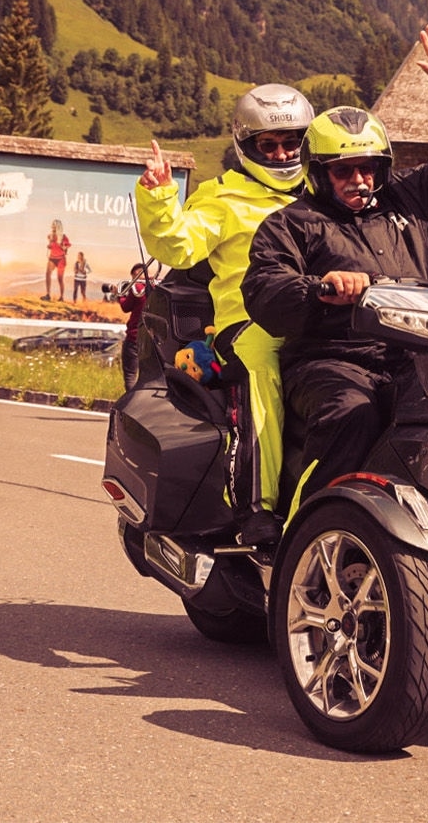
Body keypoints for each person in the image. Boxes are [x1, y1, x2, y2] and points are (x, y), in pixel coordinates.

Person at [243, 24, 428, 514]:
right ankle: (311, 522)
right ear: (318, 171)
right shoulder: (292, 223)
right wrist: (319, 289)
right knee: (353, 413)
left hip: (415, 353)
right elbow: (264, 291)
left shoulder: (409, 199)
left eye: (368, 167)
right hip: (332, 360)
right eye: (343, 170)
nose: (359, 179)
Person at [136, 82, 315, 546]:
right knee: (260, 368)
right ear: (246, 146)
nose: (281, 154)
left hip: (323, 317)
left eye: (291, 143)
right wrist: (160, 197)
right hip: (251, 324)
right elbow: (178, 246)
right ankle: (258, 507)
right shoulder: (222, 197)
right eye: (268, 145)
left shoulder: (325, 189)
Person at [116, 262, 151, 390]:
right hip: (151, 340)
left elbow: (126, 307)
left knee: (130, 375)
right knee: (148, 377)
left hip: (134, 337)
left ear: (136, 274)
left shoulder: (137, 287)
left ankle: (131, 400)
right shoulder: (155, 287)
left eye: (133, 276)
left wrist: (120, 296)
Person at [44, 221, 70, 301]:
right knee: (47, 274)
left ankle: (61, 297)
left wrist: (63, 247)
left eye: (54, 226)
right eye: (52, 226)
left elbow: (66, 247)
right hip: (52, 258)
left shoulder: (63, 237)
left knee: (60, 279)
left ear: (58, 227)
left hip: (61, 259)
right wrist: (49, 246)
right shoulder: (50, 236)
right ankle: (48, 295)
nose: (53, 228)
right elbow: (51, 246)